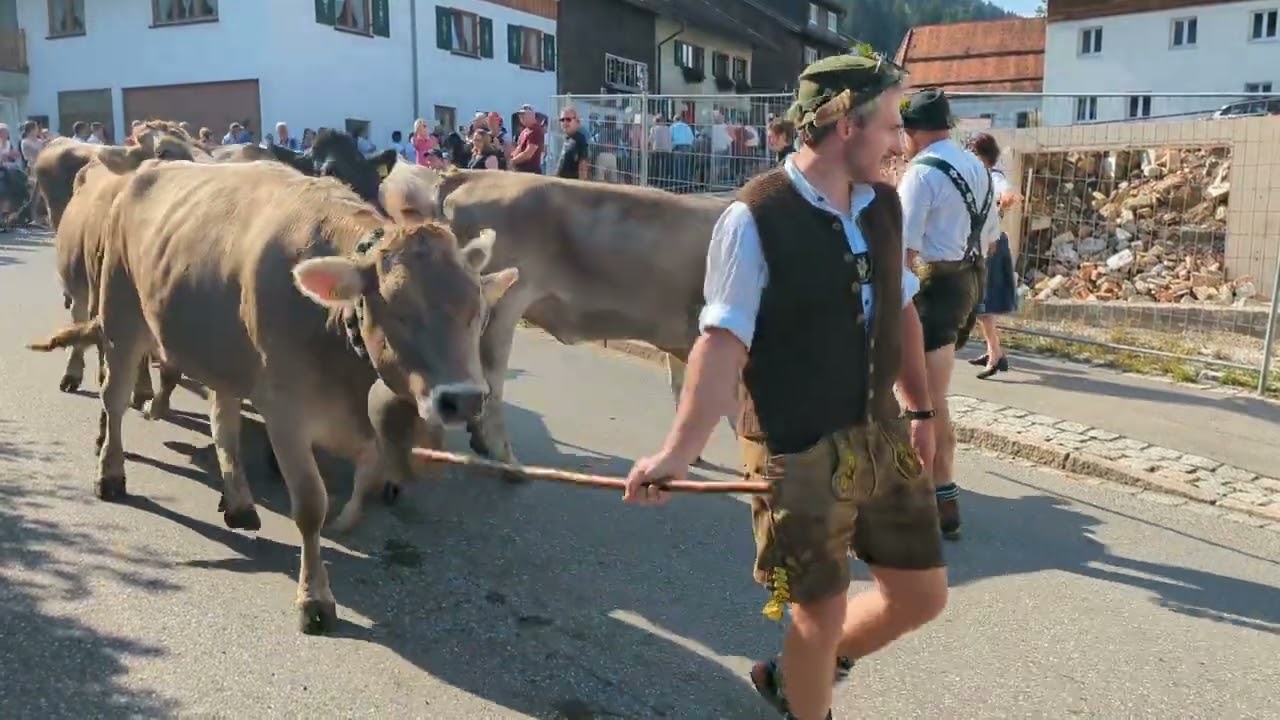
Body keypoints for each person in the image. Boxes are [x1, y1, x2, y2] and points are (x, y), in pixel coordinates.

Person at [622, 54, 945, 720]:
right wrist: (676, 455)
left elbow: (903, 308)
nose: (899, 144)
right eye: (889, 126)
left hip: (878, 430)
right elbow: (721, 344)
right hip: (794, 444)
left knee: (921, 594)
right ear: (846, 126)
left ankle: (798, 680)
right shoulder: (754, 218)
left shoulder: (883, 205)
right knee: (818, 609)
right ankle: (808, 702)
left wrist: (923, 407)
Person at [897, 89, 1001, 541]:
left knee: (923, 401)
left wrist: (915, 280)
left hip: (931, 293)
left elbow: (904, 250)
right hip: (967, 284)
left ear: (913, 132)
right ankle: (941, 496)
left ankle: (931, 497)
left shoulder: (921, 174)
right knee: (933, 397)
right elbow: (992, 235)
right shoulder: (976, 166)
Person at [967, 133, 1020, 380]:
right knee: (979, 303)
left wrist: (996, 214)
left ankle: (995, 354)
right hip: (983, 243)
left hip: (991, 244)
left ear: (981, 155)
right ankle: (993, 350)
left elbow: (1009, 195)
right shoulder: (981, 177)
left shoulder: (992, 177)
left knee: (982, 302)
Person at [509, 103, 544, 174]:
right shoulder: (525, 131)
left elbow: (528, 153)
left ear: (532, 115)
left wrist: (513, 161)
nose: (521, 117)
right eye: (520, 115)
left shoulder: (536, 130)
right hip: (521, 171)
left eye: (524, 114)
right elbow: (519, 148)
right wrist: (512, 156)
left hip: (531, 173)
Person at [556, 106, 589, 180]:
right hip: (561, 184)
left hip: (570, 187)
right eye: (562, 120)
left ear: (577, 121)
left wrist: (581, 186)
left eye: (568, 119)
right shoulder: (567, 137)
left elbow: (583, 164)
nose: (564, 122)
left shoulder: (580, 139)